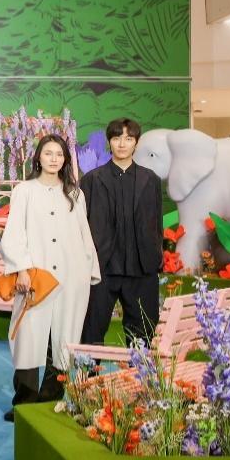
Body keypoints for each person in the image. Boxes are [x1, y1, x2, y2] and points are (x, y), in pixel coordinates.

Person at [0, 134, 100, 415]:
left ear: (65, 159)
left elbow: (84, 234)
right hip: (35, 277)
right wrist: (21, 268)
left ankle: (50, 399)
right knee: (28, 339)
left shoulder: (75, 194)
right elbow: (14, 233)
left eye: (59, 154)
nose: (54, 159)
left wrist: (88, 272)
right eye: (48, 153)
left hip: (71, 275)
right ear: (38, 157)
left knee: (64, 338)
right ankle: (24, 404)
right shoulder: (24, 191)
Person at [79, 118, 163, 351]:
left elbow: (156, 224)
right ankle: (88, 374)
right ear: (109, 142)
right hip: (102, 269)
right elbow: (82, 225)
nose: (122, 144)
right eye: (117, 138)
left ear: (136, 142)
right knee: (91, 330)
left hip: (142, 269)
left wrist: (156, 257)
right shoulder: (91, 180)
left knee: (143, 334)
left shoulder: (151, 180)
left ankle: (139, 374)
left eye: (128, 138)